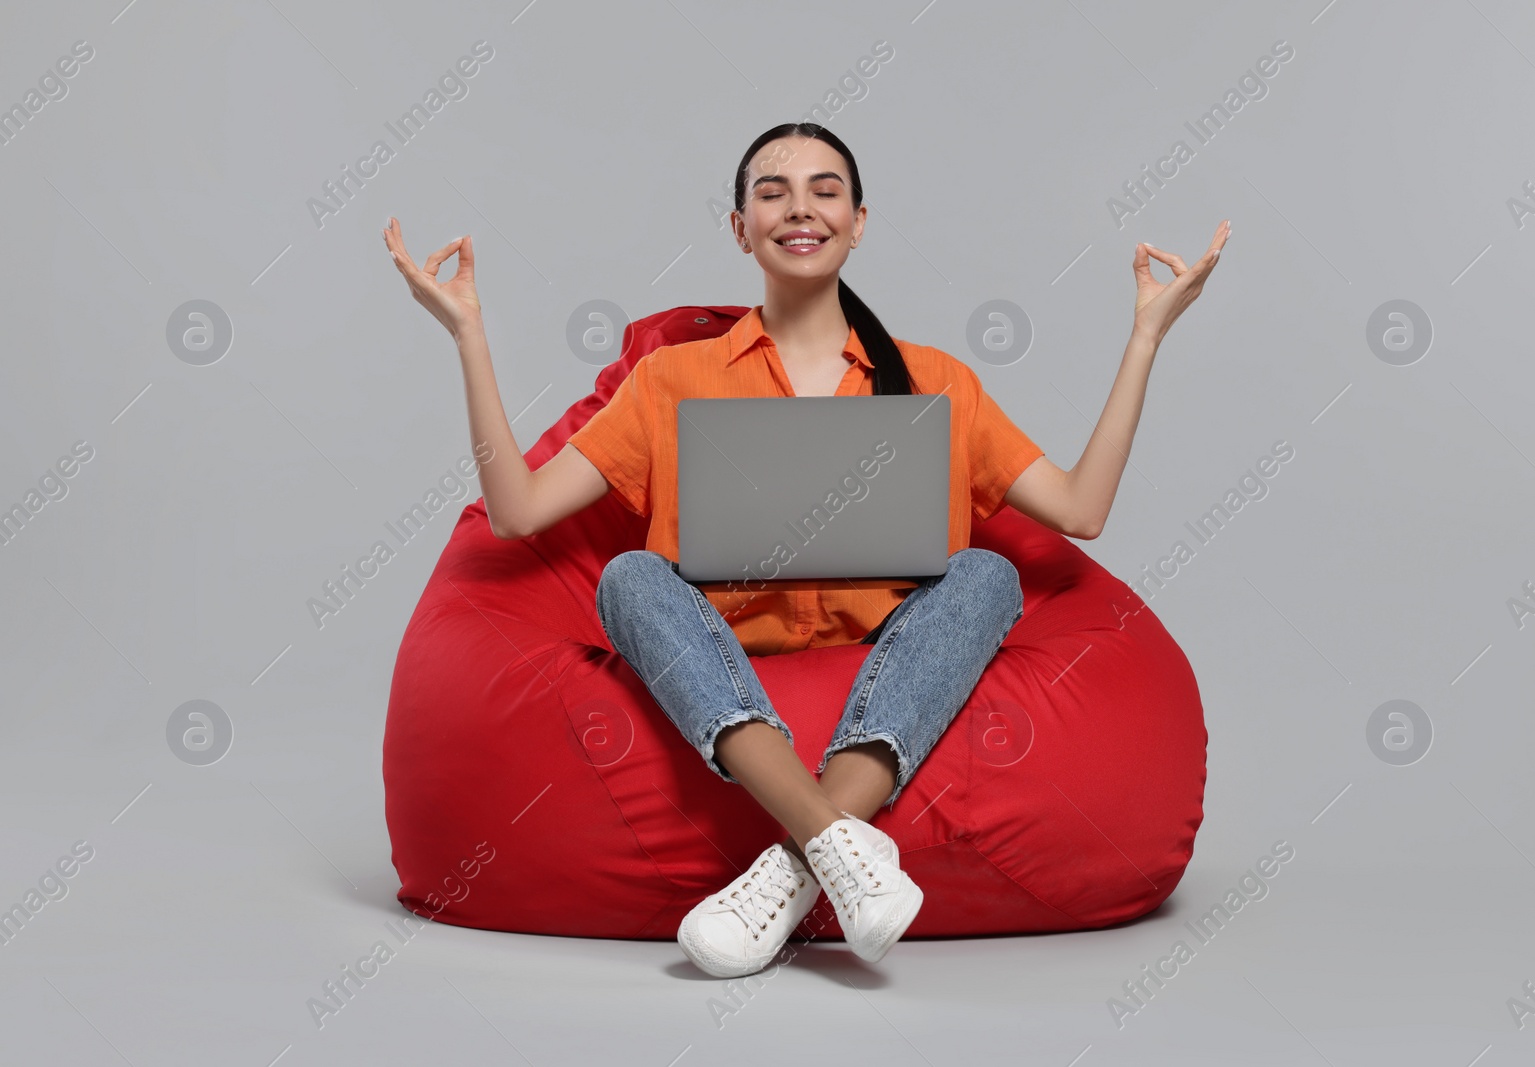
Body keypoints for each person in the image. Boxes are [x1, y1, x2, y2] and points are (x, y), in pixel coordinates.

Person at [382, 121, 1227, 978]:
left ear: (859, 221)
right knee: (630, 577)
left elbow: (1081, 508)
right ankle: (836, 846)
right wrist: (469, 336)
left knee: (988, 573)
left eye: (826, 191)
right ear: (739, 227)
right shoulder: (672, 379)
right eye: (772, 191)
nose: (801, 208)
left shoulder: (934, 380)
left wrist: (1146, 339)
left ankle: (784, 873)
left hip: (889, 675)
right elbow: (518, 512)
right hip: (716, 668)